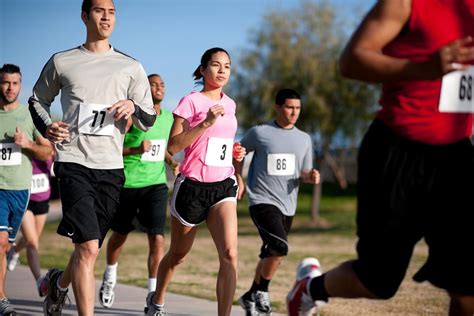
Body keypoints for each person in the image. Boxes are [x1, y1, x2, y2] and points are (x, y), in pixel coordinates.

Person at [286, 1, 474, 315]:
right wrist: (422, 69)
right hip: (397, 152)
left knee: (468, 284)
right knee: (378, 281)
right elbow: (351, 60)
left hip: (456, 157)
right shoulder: (407, 3)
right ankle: (311, 288)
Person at [28, 0, 156, 315]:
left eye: (112, 11)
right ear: (85, 16)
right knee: (86, 247)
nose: (107, 17)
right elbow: (37, 100)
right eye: (100, 10)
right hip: (73, 164)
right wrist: (48, 126)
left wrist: (133, 107)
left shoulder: (131, 67)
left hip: (111, 169)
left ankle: (58, 285)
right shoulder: (63, 61)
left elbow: (149, 118)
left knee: (91, 249)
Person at [145, 47, 246, 316]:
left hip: (223, 185)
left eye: (227, 65)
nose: (222, 70)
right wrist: (204, 124)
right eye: (216, 65)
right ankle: (156, 299)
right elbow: (174, 146)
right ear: (203, 70)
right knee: (178, 255)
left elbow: (223, 144)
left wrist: (237, 159)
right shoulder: (191, 102)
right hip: (192, 187)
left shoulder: (231, 103)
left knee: (230, 254)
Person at [235, 88, 320, 315]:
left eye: (298, 109)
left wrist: (310, 176)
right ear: (278, 107)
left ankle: (249, 296)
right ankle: (262, 291)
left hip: (288, 204)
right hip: (261, 199)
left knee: (273, 253)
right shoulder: (260, 133)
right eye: (290, 107)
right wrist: (239, 180)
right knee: (280, 247)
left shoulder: (304, 139)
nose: (294, 112)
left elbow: (303, 171)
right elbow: (238, 152)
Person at [99, 74, 179, 310]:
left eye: (162, 84)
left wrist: (171, 162)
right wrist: (135, 148)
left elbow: (161, 148)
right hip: (128, 185)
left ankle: (153, 293)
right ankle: (110, 276)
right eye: (153, 84)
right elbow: (113, 147)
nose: (159, 87)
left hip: (155, 185)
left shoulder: (168, 119)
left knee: (157, 238)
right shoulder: (133, 117)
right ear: (144, 89)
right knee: (120, 235)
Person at [0, 63, 54, 315]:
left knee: (10, 245)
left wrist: (29, 143)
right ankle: (2, 299)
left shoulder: (29, 115)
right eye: (5, 82)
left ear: (20, 86)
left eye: (14, 83)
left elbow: (48, 151)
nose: (10, 88)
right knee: (2, 243)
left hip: (21, 190)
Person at [6, 156, 54, 298]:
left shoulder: (49, 151)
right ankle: (40, 282)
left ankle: (14, 250)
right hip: (25, 201)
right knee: (33, 242)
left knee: (30, 240)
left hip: (43, 202)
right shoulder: (25, 152)